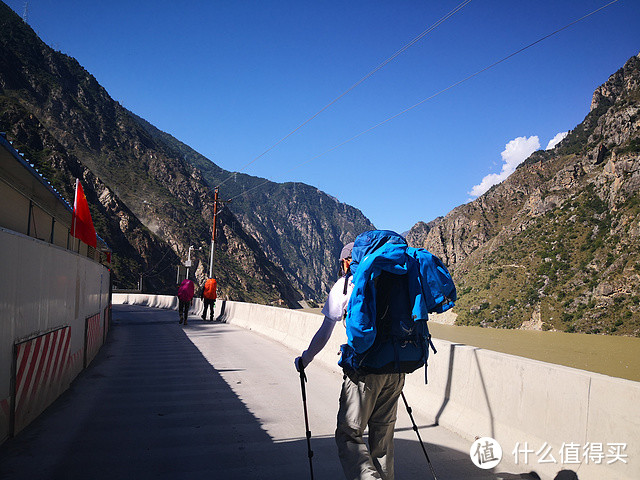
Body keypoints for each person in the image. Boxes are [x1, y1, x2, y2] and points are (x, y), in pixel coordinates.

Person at [295, 240, 406, 480]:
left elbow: (325, 332)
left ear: (348, 261)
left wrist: (305, 359)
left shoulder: (346, 285)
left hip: (365, 370)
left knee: (349, 433)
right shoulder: (394, 278)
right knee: (383, 439)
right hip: (397, 368)